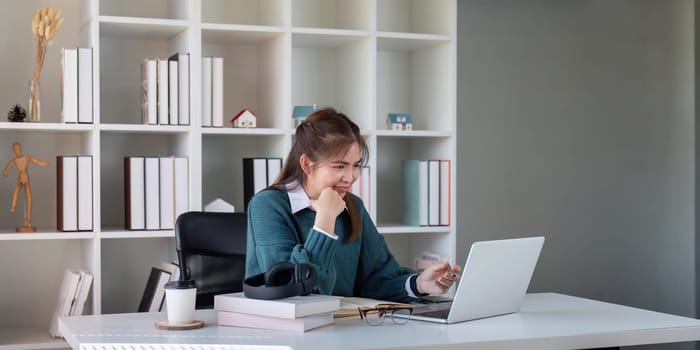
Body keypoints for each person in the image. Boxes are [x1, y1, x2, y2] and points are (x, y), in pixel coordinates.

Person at [245, 107, 460, 303]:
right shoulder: (267, 206)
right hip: (284, 334)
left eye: (356, 166)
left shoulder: (353, 206)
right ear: (307, 164)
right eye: (339, 166)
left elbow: (376, 277)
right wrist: (325, 221)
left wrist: (419, 284)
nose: (350, 177)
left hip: (340, 329)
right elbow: (293, 291)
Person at [2, 142, 49, 231]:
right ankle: (13, 205)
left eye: (19, 148)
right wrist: (5, 172)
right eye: (16, 149)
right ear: (14, 150)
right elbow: (8, 167)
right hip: (21, 176)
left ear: (21, 148)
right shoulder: (14, 160)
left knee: (29, 198)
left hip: (26, 177)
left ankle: (28, 220)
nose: (18, 151)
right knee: (18, 187)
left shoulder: (25, 158)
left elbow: (35, 160)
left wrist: (44, 164)